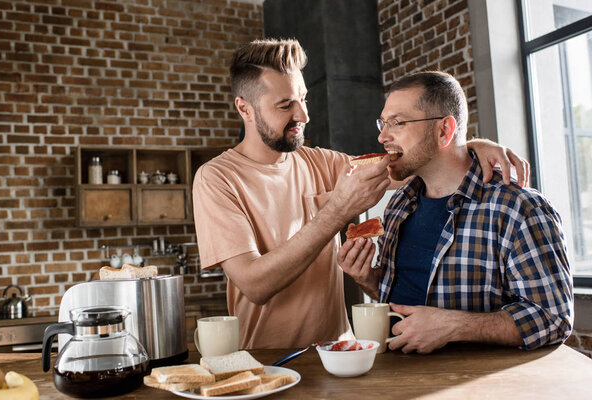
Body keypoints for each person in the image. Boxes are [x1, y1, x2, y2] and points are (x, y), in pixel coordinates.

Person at [193, 39, 529, 349]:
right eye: (285, 105)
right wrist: (338, 211)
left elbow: (409, 158)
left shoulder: (319, 162)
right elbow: (255, 285)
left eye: (303, 99)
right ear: (245, 109)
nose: (304, 116)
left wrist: (469, 144)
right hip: (267, 361)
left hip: (341, 352)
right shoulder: (217, 179)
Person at [339, 71, 573, 353]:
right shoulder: (399, 204)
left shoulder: (519, 208)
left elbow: (553, 318)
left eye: (397, 123)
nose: (382, 136)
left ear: (443, 131)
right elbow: (405, 306)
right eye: (383, 123)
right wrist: (368, 279)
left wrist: (454, 326)